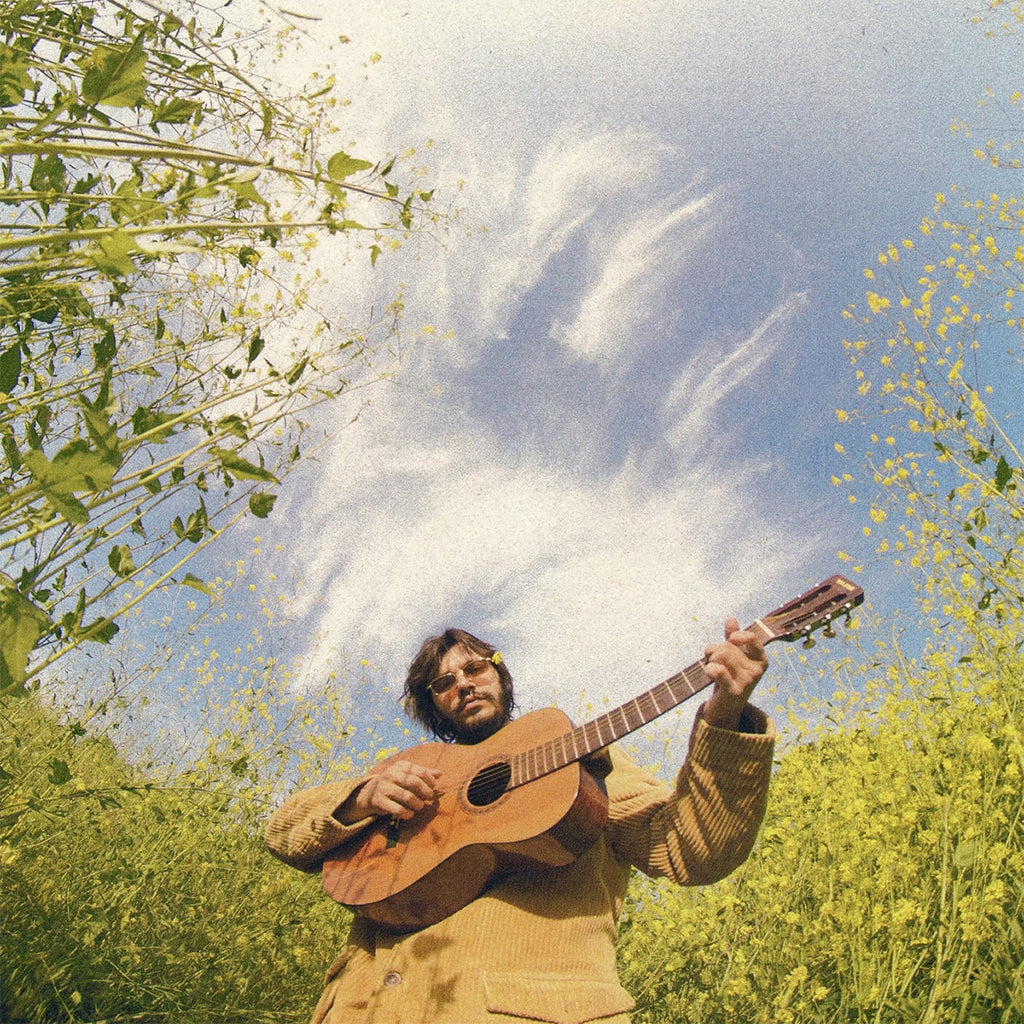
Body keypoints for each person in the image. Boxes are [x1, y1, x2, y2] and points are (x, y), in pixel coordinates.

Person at [264, 618, 775, 1024]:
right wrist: (362, 798)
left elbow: (689, 849)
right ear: (432, 706)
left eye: (476, 668)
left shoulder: (581, 759)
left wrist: (726, 715)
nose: (464, 684)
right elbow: (282, 832)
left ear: (501, 676)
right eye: (444, 683)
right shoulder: (412, 773)